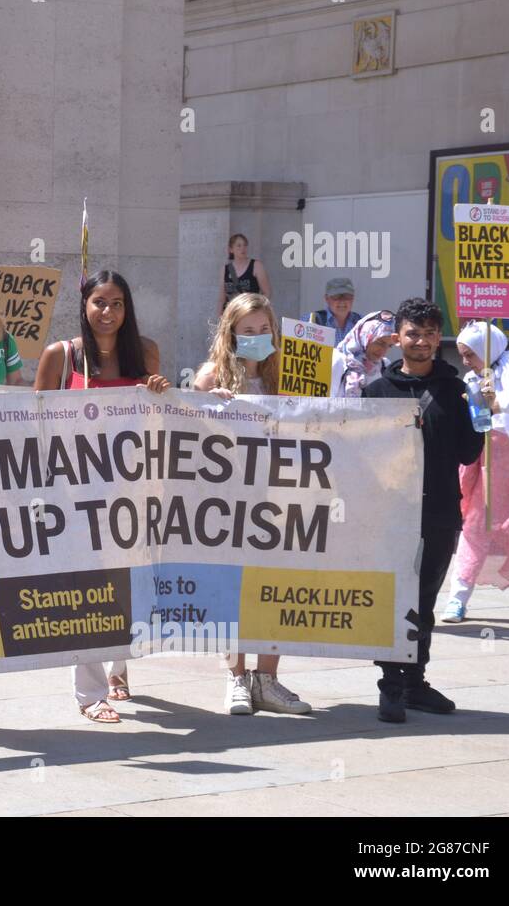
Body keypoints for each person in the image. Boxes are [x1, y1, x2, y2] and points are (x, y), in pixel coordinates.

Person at [34, 271, 171, 723]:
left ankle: (119, 665)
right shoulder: (61, 355)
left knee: (127, 587)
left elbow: (160, 423)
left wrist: (159, 394)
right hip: (75, 494)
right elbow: (32, 426)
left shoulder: (145, 352)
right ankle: (89, 692)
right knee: (87, 591)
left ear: (127, 308)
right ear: (85, 305)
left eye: (116, 303)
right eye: (99, 302)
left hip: (131, 492)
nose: (107, 312)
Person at [362, 298, 485, 722]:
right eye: (413, 333)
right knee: (393, 596)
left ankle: (415, 682)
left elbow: (469, 454)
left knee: (424, 599)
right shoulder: (376, 392)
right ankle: (390, 685)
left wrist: (482, 410)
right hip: (389, 514)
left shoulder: (456, 390)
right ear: (398, 338)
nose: (422, 341)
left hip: (439, 513)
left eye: (431, 333)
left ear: (439, 338)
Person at [194, 293, 311, 716]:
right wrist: (214, 409)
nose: (259, 337)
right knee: (233, 591)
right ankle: (237, 678)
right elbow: (193, 440)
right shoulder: (209, 377)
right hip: (231, 502)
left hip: (282, 497)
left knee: (275, 587)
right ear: (231, 334)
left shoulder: (288, 376)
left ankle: (269, 678)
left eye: (265, 330)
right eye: (249, 331)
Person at [443, 321, 509, 628]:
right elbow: (476, 421)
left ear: (488, 348)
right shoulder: (472, 378)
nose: (465, 362)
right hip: (484, 462)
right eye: (462, 355)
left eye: (470, 354)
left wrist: (503, 403)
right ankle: (457, 598)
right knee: (475, 527)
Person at [331, 309, 397, 398]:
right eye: (380, 343)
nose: (383, 351)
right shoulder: (337, 360)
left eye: (389, 346)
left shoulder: (384, 366)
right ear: (364, 336)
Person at [217, 233, 271, 315]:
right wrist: (220, 319)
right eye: (239, 245)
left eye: (245, 245)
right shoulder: (225, 269)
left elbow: (267, 292)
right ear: (231, 249)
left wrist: (257, 309)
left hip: (249, 313)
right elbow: (222, 298)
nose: (243, 248)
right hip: (231, 314)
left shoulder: (256, 265)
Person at [309, 277, 361, 342]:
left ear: (353, 298)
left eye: (347, 296)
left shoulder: (363, 323)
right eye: (336, 296)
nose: (342, 300)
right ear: (327, 299)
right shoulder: (312, 320)